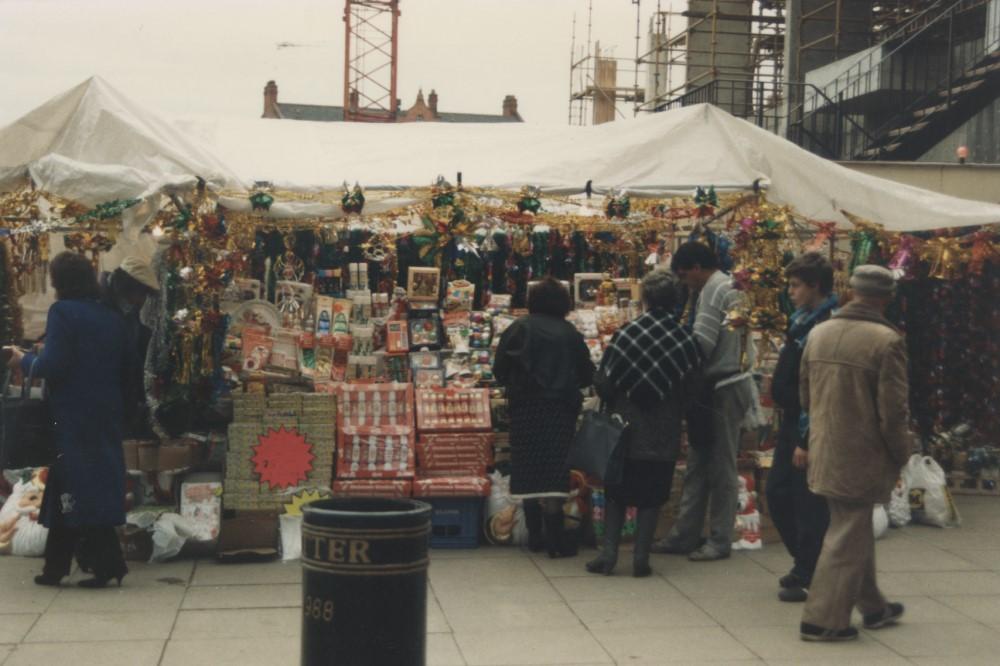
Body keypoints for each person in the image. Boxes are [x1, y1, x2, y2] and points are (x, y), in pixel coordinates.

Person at [5, 252, 131, 589]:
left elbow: (53, 365)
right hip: (105, 411)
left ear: (60, 281)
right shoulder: (110, 314)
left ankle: (94, 565)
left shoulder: (63, 312)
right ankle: (69, 566)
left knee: (73, 486)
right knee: (79, 485)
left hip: (73, 415)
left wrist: (24, 359)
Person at [798, 265, 911, 641]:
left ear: (852, 291)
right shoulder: (886, 340)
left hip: (824, 444)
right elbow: (893, 412)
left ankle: (874, 607)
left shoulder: (819, 332)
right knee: (847, 532)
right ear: (886, 298)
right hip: (862, 451)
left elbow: (804, 396)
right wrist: (902, 452)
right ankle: (822, 619)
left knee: (851, 524)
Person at [587, 269, 702, 577]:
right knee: (654, 492)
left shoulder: (626, 334)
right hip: (663, 429)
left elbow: (603, 383)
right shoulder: (685, 340)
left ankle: (609, 554)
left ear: (646, 299)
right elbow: (693, 389)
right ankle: (641, 557)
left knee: (617, 489)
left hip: (626, 427)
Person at [653, 241, 754, 562]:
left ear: (697, 267)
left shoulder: (714, 289)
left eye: (685, 276)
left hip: (722, 385)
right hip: (717, 385)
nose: (685, 283)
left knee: (719, 465)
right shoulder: (723, 286)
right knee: (699, 461)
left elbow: (702, 343)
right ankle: (685, 533)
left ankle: (719, 538)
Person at [493, 277, 595, 558]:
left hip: (525, 409)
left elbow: (499, 369)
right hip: (559, 410)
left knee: (528, 468)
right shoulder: (570, 333)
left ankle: (534, 535)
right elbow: (587, 374)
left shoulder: (517, 329)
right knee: (554, 470)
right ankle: (554, 538)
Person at [765, 253, 837, 603]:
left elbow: (819, 388)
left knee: (807, 502)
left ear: (815, 286)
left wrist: (806, 439)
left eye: (795, 285)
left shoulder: (823, 327)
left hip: (807, 427)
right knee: (778, 493)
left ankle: (811, 570)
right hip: (793, 422)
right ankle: (806, 562)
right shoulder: (800, 322)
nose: (790, 291)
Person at [99, 256, 159, 439]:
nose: (141, 301)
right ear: (126, 287)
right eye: (140, 294)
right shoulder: (103, 310)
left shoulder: (127, 312)